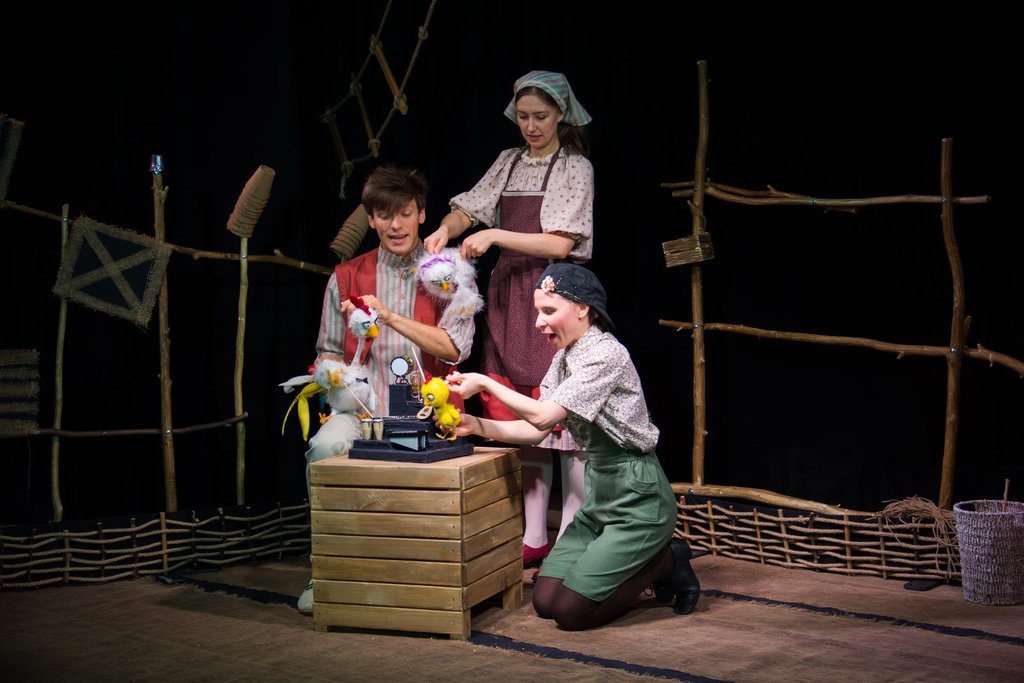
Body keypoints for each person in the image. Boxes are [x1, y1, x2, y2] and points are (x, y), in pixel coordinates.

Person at [441, 263, 700, 631]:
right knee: (545, 602)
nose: (538, 323)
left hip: (639, 498)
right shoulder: (564, 357)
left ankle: (667, 560)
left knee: (571, 613)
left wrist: (485, 383)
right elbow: (536, 431)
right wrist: (476, 425)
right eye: (537, 312)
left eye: (548, 311)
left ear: (582, 308)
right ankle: (631, 561)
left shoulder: (605, 355)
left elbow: (544, 415)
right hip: (601, 496)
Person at [424, 70, 594, 568]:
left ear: (561, 114)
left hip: (554, 292)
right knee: (521, 413)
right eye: (523, 117)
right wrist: (446, 229)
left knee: (565, 421)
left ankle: (571, 538)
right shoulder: (509, 161)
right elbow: (469, 209)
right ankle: (534, 535)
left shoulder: (575, 167)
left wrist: (496, 235)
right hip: (509, 297)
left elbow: (560, 243)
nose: (531, 126)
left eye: (541, 116)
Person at [298, 164, 479, 615]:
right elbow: (327, 349)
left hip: (425, 413)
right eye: (384, 215)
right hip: (361, 411)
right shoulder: (346, 276)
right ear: (371, 219)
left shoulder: (448, 274)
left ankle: (415, 580)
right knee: (325, 447)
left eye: (404, 213)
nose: (395, 225)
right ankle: (328, 571)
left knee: (409, 483)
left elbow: (455, 347)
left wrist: (390, 317)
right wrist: (334, 376)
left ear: (422, 215)